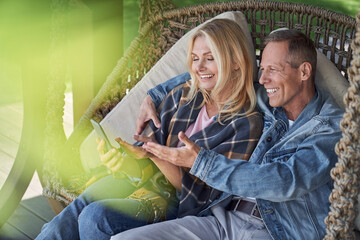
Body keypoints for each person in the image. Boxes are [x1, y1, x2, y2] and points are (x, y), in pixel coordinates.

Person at [36, 18, 263, 240]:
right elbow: (144, 163)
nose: (199, 67)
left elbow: (199, 198)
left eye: (210, 58)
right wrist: (124, 160)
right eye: (195, 58)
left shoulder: (246, 123)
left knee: (95, 218)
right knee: (71, 214)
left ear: (235, 61)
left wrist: (156, 155)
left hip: (175, 204)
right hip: (143, 182)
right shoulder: (184, 95)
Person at [111, 29, 344, 240]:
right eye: (262, 69)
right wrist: (152, 96)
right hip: (223, 218)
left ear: (304, 71)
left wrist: (201, 162)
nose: (262, 80)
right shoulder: (268, 98)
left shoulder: (331, 128)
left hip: (275, 231)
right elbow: (211, 75)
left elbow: (286, 181)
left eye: (273, 70)